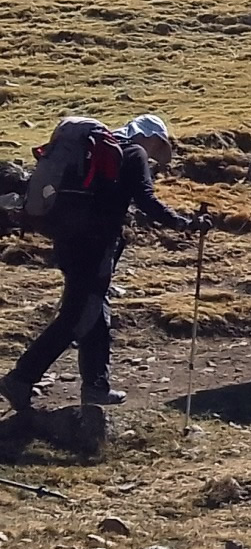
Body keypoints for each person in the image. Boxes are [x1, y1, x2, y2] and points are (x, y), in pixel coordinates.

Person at [0, 114, 195, 412]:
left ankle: (96, 386)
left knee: (94, 308)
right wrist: (183, 223)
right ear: (149, 137)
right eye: (157, 146)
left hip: (66, 239)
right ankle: (21, 377)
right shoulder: (133, 153)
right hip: (96, 246)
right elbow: (146, 200)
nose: (154, 153)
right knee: (76, 315)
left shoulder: (95, 150)